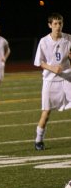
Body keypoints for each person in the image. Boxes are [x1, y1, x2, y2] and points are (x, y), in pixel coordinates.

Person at [33, 12, 71, 150]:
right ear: (50, 25)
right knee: (46, 112)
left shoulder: (68, 39)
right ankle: (38, 140)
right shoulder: (44, 41)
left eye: (60, 23)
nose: (58, 26)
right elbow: (39, 62)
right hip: (50, 80)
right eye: (55, 23)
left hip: (67, 78)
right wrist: (52, 68)